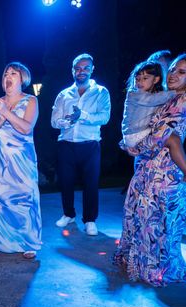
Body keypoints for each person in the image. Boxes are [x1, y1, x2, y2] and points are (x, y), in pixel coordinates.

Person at [114, 54, 186, 286]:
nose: (173, 74)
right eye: (173, 69)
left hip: (164, 175)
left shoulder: (182, 101)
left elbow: (162, 137)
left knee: (157, 227)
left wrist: (133, 148)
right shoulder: (169, 98)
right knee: (140, 222)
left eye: (181, 72)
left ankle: (157, 270)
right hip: (147, 170)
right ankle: (139, 264)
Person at [0, 62, 42, 259]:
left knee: (24, 200)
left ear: (22, 78)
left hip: (23, 162)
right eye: (6, 73)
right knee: (0, 201)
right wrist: (1, 118)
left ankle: (28, 242)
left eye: (13, 73)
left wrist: (6, 113)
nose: (8, 76)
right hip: (2, 162)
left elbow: (26, 128)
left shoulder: (31, 100)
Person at [51, 53, 111, 236]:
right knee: (66, 182)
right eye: (78, 68)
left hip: (90, 144)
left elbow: (104, 117)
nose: (81, 71)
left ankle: (90, 220)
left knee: (90, 184)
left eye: (85, 68)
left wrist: (82, 116)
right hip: (66, 144)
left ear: (92, 69)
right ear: (72, 71)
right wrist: (64, 122)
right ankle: (68, 214)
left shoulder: (101, 92)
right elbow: (54, 121)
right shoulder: (64, 94)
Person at [120, 61, 186, 175]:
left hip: (161, 171)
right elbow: (152, 102)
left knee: (172, 139)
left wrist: (130, 145)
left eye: (145, 78)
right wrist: (126, 144)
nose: (140, 82)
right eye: (138, 78)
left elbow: (157, 136)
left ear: (156, 79)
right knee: (172, 139)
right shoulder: (135, 94)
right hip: (139, 146)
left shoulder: (179, 100)